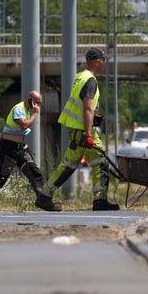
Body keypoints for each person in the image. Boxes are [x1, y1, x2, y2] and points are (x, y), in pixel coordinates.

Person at [39, 47, 120, 211]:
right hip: (84, 131)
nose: (104, 63)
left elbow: (82, 106)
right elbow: (87, 108)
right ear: (98, 62)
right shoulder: (90, 80)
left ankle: (46, 195)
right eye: (103, 60)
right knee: (98, 163)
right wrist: (89, 133)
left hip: (77, 129)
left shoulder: (80, 77)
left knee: (73, 165)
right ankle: (98, 201)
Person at [0, 90, 52, 210]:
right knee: (2, 175)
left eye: (40, 103)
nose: (38, 106)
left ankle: (43, 200)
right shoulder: (19, 109)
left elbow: (8, 128)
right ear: (29, 99)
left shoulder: (26, 111)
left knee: (34, 172)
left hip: (20, 147)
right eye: (36, 102)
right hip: (9, 147)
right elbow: (23, 125)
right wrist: (35, 114)